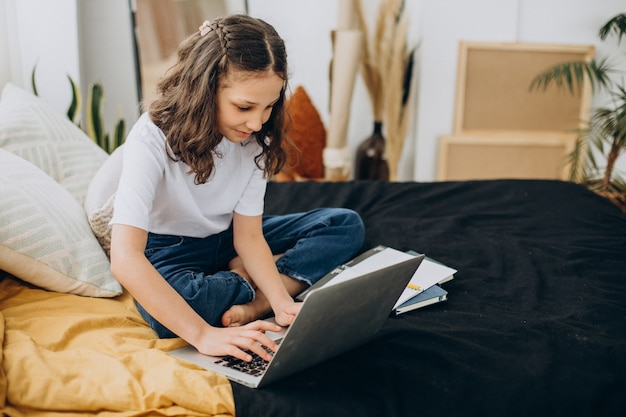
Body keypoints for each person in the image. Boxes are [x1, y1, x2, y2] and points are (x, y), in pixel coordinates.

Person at [109, 14, 365, 363]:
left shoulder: (255, 137)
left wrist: (280, 305)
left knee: (344, 225)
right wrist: (203, 334)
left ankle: (253, 299)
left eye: (270, 105)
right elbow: (124, 259)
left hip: (229, 238)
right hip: (170, 248)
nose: (257, 121)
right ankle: (248, 276)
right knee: (172, 317)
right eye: (244, 107)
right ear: (204, 88)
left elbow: (249, 237)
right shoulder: (151, 138)